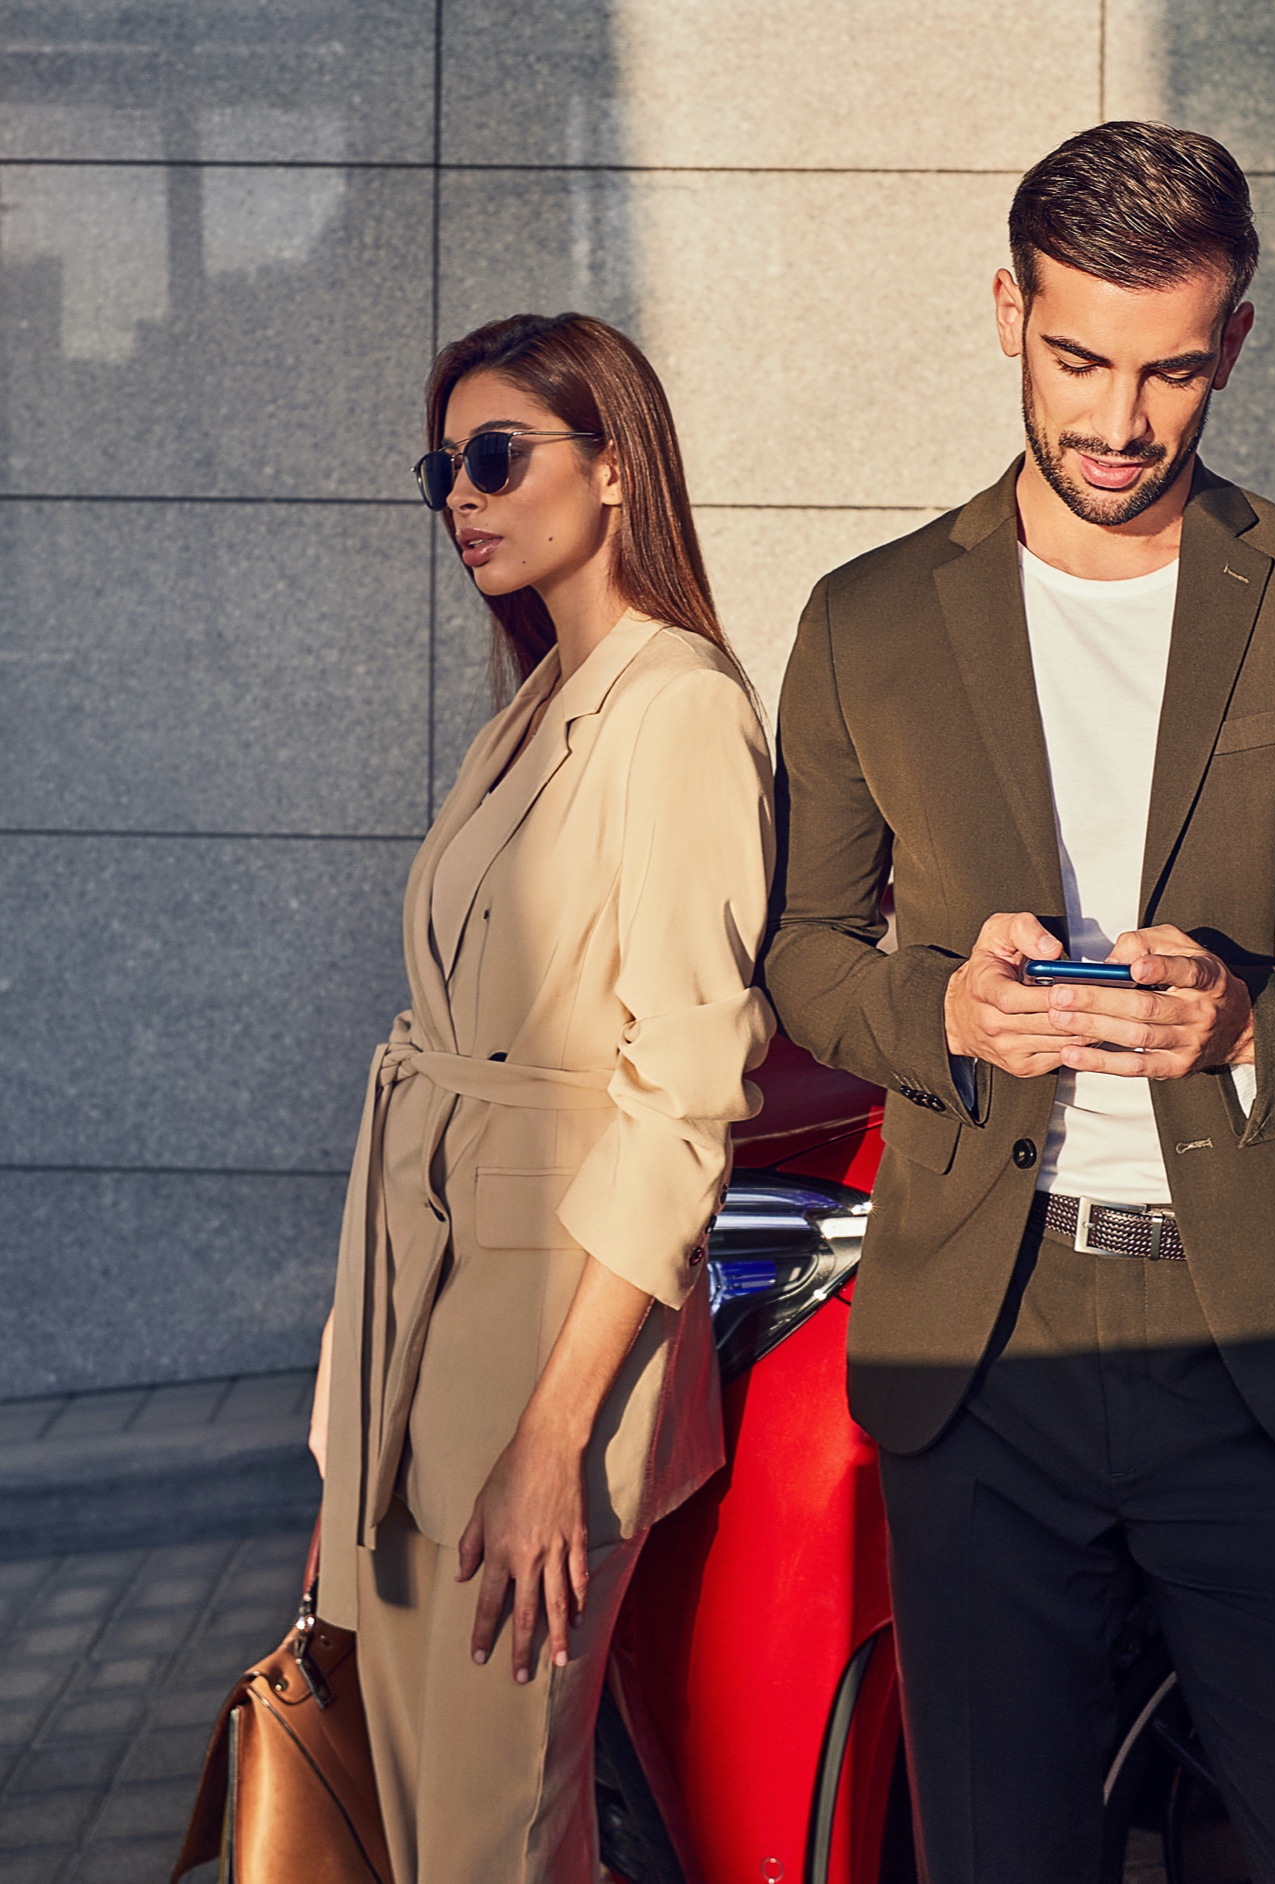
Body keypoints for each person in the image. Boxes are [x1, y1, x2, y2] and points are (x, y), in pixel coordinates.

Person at [763, 122, 1275, 1883]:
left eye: (1173, 370)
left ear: (1235, 341)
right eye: (1080, 359)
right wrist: (945, 1013)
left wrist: (1256, 1024)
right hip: (983, 1347)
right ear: (1010, 312)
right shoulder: (868, 619)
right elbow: (801, 953)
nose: (1120, 423)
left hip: (1267, 1346)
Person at [306, 311, 773, 1883]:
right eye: (444, 466)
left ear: (616, 466)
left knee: (499, 1832)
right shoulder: (537, 699)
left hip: (544, 1345)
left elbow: (684, 1099)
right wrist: (354, 1457)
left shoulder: (681, 708)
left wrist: (548, 1444)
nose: (462, 494)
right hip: (425, 1332)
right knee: (419, 1814)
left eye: (497, 456)